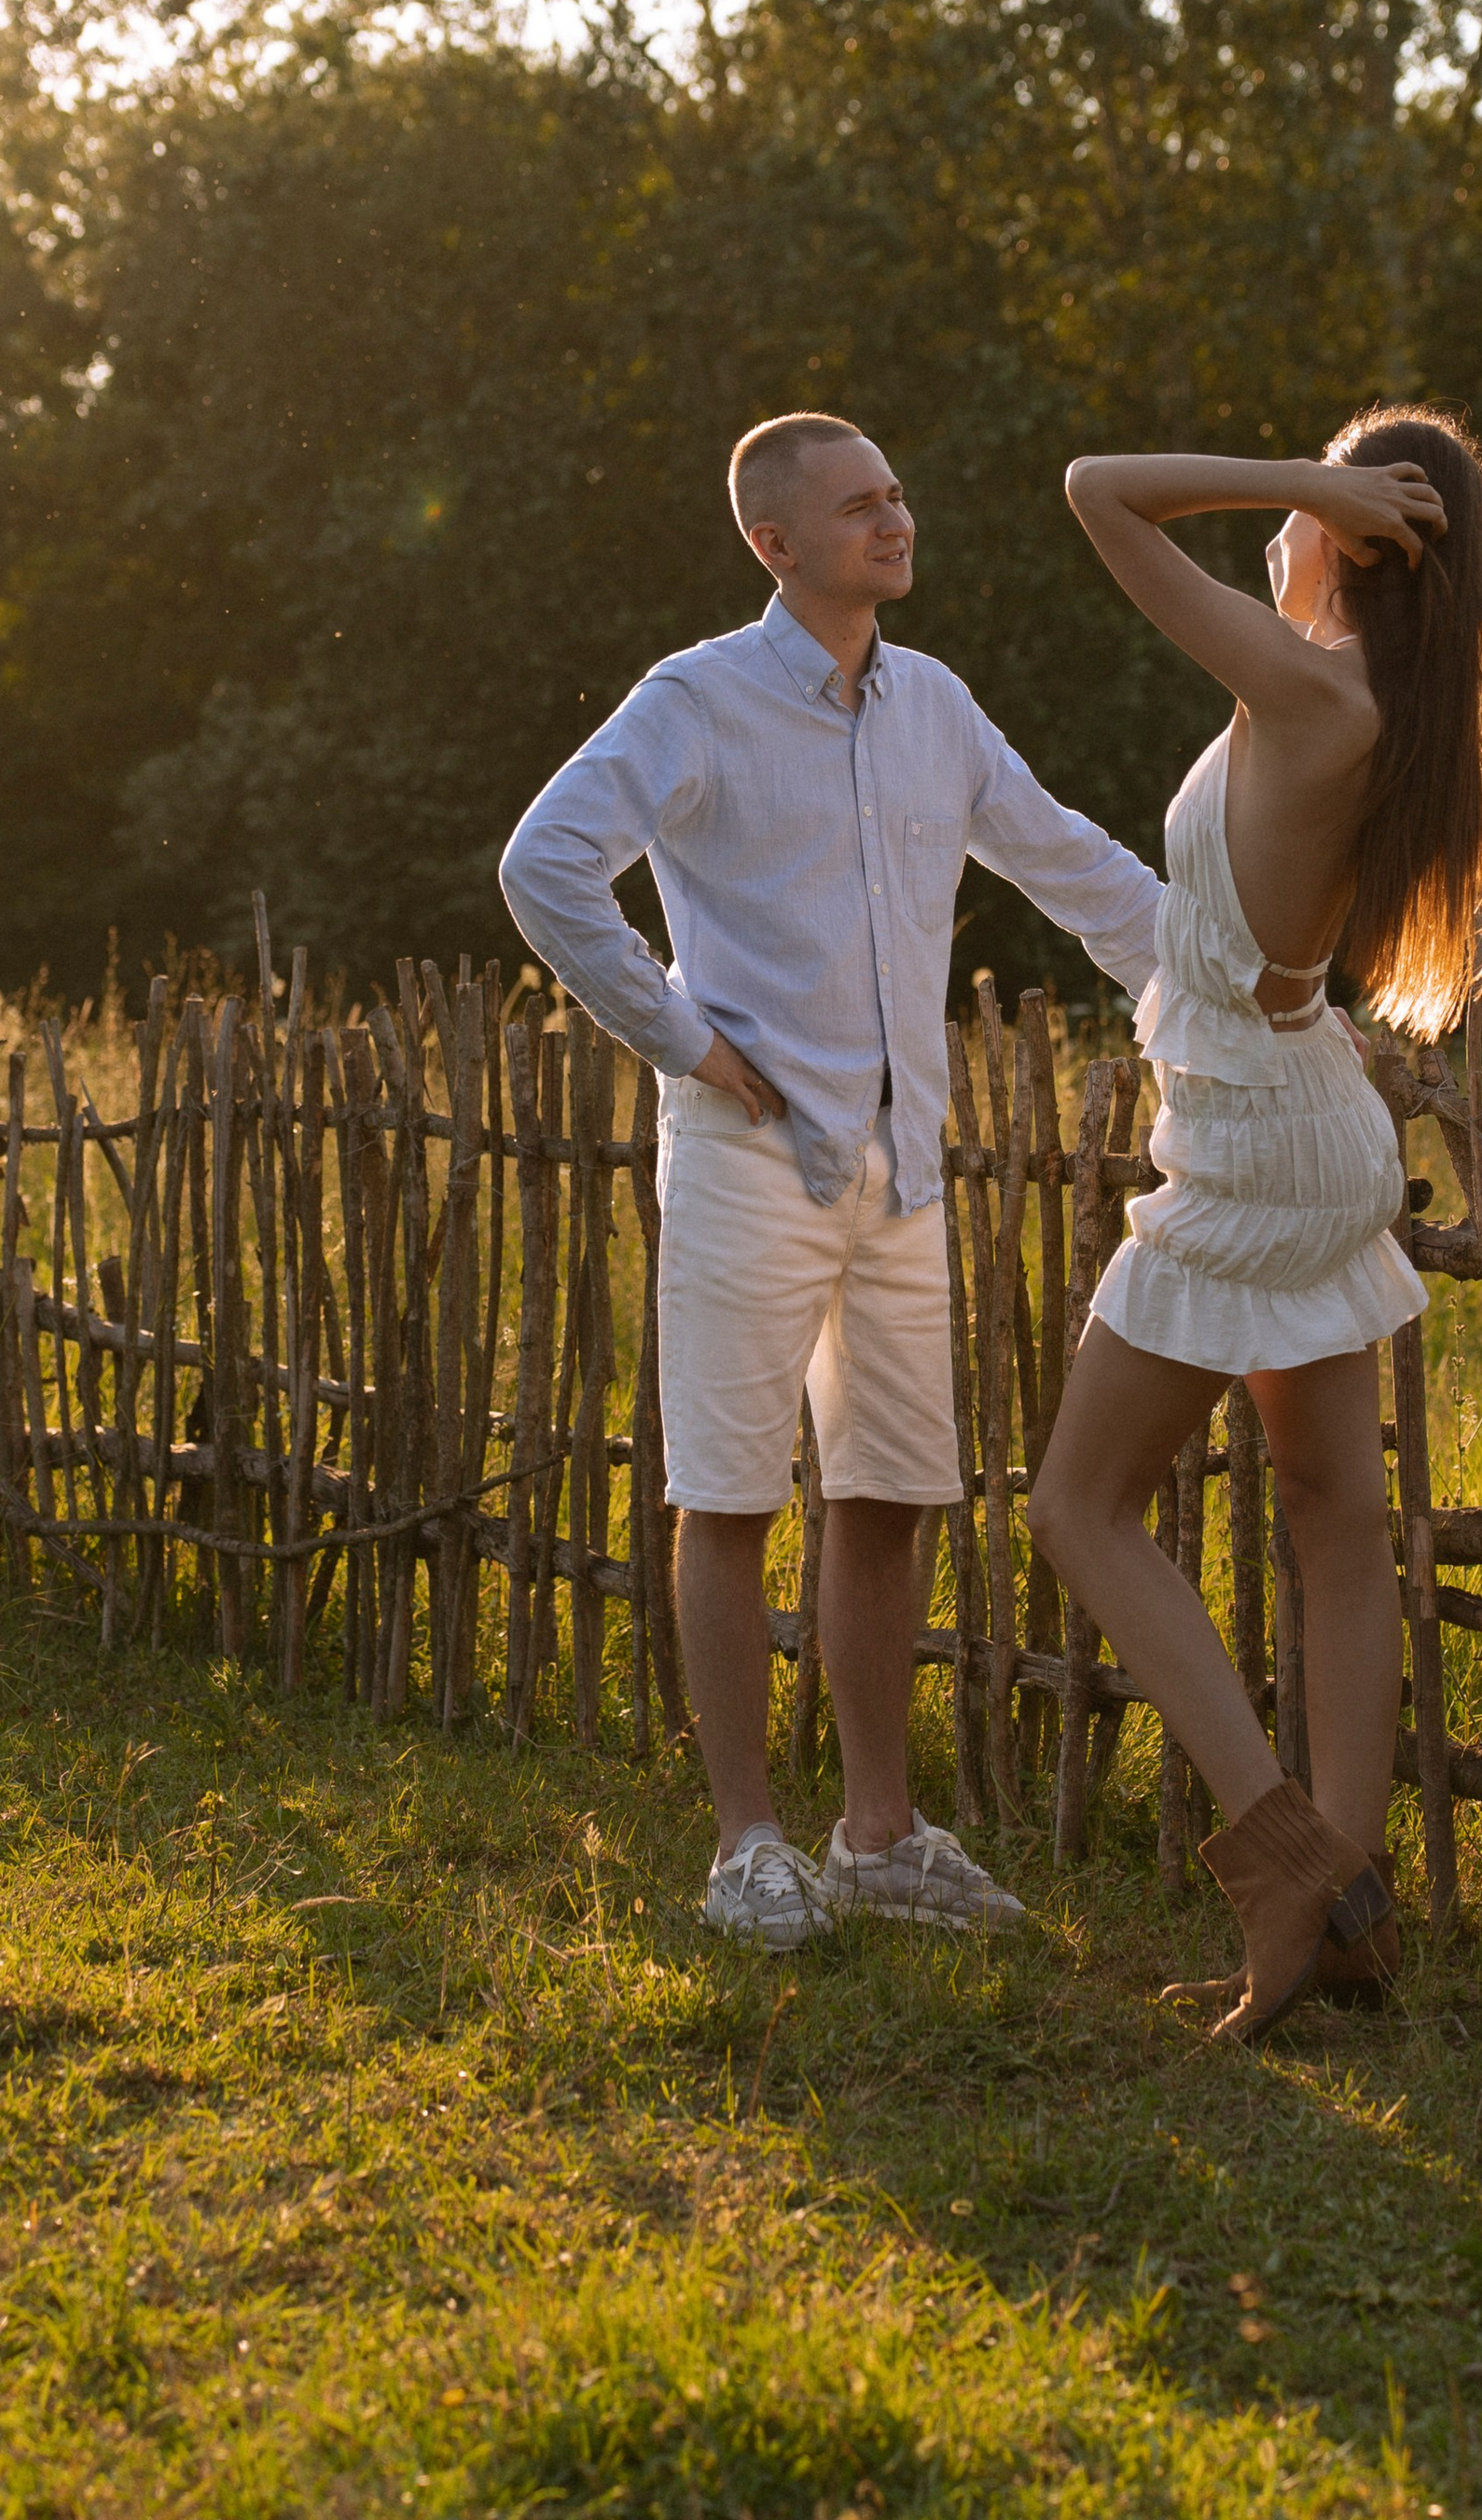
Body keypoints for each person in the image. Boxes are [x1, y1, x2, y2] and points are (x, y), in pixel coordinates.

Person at [499, 413, 1161, 1951]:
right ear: (773, 542)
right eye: (859, 506)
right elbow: (547, 865)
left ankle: (877, 1834)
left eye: (899, 494)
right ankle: (749, 1847)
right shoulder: (700, 699)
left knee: (892, 1491)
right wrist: (682, 1038)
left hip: (901, 1166)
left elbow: (1072, 866)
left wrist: (1226, 975)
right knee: (727, 1493)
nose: (895, 519)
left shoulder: (934, 705)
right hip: (748, 1155)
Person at [1027, 407, 1482, 2041]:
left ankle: (1287, 1872)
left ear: (1349, 536)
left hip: (1250, 1144)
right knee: (1335, 1521)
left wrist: (1305, 482)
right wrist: (1327, 498)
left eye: (1306, 511)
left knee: (1078, 1506)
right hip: (1302, 1102)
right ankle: (1346, 1905)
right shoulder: (1369, 699)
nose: (1271, 533)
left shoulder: (1310, 686)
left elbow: (1097, 486)